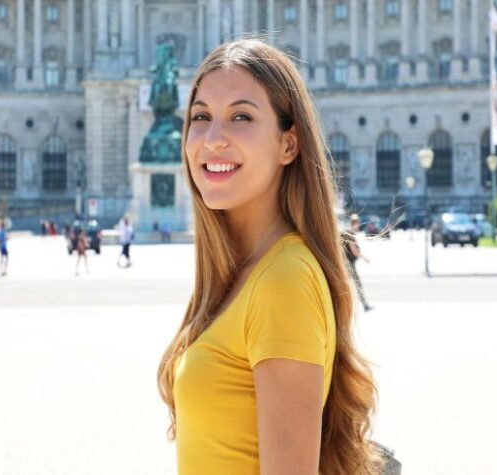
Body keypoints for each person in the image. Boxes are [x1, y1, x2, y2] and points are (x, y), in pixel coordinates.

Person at [157, 39, 382, 474]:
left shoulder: (284, 280)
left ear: (289, 145)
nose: (212, 139)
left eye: (241, 117)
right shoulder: (246, 272)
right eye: (200, 117)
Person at [344, 214, 374, 312]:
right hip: (348, 264)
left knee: (346, 285)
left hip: (346, 264)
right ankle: (363, 305)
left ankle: (349, 306)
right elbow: (354, 251)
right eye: (356, 223)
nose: (357, 225)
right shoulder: (350, 234)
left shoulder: (348, 233)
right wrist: (365, 258)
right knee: (356, 284)